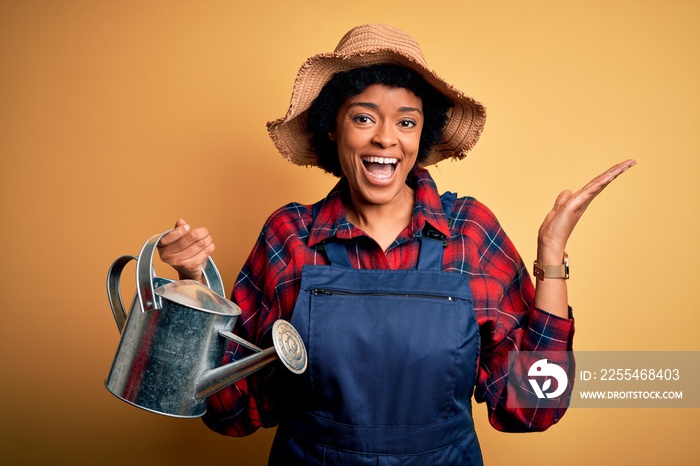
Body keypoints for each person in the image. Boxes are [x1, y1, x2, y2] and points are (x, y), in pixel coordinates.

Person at [157, 24, 635, 465]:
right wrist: (194, 286)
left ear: (422, 133)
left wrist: (551, 259)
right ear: (332, 127)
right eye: (364, 118)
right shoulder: (290, 235)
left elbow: (533, 408)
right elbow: (233, 412)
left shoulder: (470, 231)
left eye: (406, 122)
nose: (386, 138)